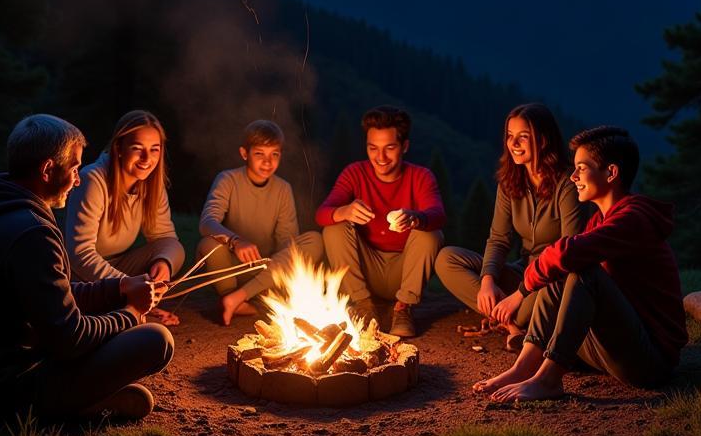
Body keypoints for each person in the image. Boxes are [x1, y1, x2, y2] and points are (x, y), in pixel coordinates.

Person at [0, 114, 173, 420]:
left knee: (131, 346)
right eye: (75, 168)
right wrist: (131, 315)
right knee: (156, 340)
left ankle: (84, 400)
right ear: (48, 170)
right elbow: (71, 338)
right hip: (3, 393)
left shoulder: (5, 208)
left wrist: (119, 288)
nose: (78, 179)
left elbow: (52, 294)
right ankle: (69, 409)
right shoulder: (31, 231)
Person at [473, 125, 687, 402]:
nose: (573, 176)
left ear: (611, 173)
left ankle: (548, 380)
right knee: (566, 271)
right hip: (612, 349)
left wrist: (520, 293)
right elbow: (561, 261)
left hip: (649, 361)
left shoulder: (634, 219)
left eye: (581, 168)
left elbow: (564, 253)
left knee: (583, 269)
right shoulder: (600, 220)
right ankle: (524, 367)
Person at [435, 103, 590, 349]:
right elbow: (499, 239)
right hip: (522, 270)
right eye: (510, 136)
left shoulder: (567, 184)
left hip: (553, 280)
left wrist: (519, 295)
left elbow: (569, 251)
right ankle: (512, 326)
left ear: (543, 139)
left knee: (527, 305)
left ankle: (515, 319)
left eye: (523, 137)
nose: (513, 144)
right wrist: (487, 280)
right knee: (446, 259)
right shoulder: (510, 183)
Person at [316, 105, 446, 338]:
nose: (380, 157)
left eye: (390, 148)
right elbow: (322, 213)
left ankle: (403, 308)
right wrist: (344, 211)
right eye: (373, 148)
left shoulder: (420, 176)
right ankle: (364, 306)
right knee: (333, 229)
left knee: (431, 233)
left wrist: (417, 218)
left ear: (404, 147)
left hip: (404, 269)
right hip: (367, 269)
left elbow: (438, 215)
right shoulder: (355, 173)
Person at [64, 110, 185, 327]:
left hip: (119, 268)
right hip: (81, 278)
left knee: (171, 249)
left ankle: (136, 307)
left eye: (154, 150)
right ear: (119, 148)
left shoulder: (152, 185)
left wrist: (163, 264)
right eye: (137, 149)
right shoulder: (92, 180)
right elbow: (79, 254)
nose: (147, 159)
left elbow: (166, 239)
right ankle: (130, 310)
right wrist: (129, 286)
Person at [197, 119, 324, 325]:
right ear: (244, 153)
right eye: (259, 154)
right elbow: (207, 222)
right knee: (208, 244)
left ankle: (238, 299)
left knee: (314, 240)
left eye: (274, 154)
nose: (268, 162)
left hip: (267, 272)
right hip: (234, 270)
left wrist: (282, 268)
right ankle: (233, 296)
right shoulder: (228, 179)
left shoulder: (283, 189)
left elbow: (286, 241)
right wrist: (235, 241)